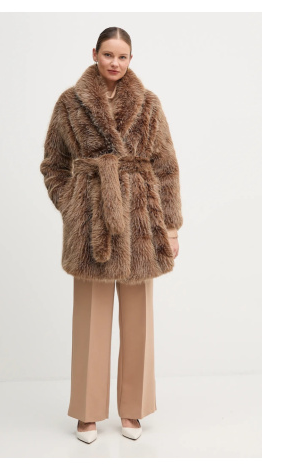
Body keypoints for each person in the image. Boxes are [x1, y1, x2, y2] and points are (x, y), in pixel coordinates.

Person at [40, 27, 183, 443]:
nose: (115, 63)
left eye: (122, 56)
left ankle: (133, 410)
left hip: (140, 221)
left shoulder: (148, 103)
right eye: (108, 54)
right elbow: (53, 164)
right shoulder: (70, 103)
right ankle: (87, 413)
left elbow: (166, 167)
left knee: (138, 320)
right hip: (92, 223)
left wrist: (170, 226)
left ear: (131, 59)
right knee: (90, 320)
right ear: (95, 54)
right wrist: (73, 204)